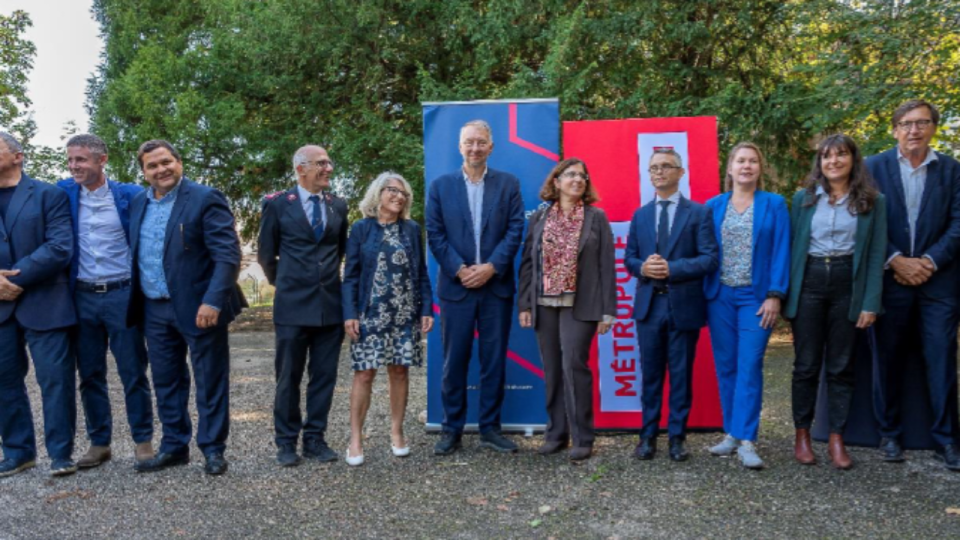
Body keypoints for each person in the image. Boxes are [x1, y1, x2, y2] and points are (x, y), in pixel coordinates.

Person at [128, 140, 246, 475]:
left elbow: (227, 255)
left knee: (209, 379)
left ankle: (212, 448)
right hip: (154, 308)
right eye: (152, 166)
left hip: (199, 307)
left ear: (179, 162)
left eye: (166, 162)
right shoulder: (138, 203)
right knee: (166, 381)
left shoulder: (205, 198)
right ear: (144, 172)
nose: (160, 170)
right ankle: (174, 447)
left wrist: (213, 300)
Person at [784, 134, 887, 470]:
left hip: (848, 283)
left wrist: (870, 302)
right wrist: (785, 297)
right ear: (820, 163)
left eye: (841, 155)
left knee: (842, 366)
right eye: (827, 157)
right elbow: (792, 251)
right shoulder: (803, 199)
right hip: (810, 281)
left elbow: (874, 256)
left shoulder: (872, 201)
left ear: (853, 160)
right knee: (806, 365)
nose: (833, 162)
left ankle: (836, 438)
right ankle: (802, 434)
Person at [868, 100, 960, 470]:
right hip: (891, 280)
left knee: (941, 359)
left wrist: (928, 261)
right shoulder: (872, 168)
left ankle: (947, 440)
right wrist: (896, 260)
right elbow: (863, 222)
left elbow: (958, 223)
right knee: (886, 359)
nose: (913, 130)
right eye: (906, 124)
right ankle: (889, 434)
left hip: (939, 281)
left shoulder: (952, 170)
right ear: (894, 130)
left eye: (922, 123)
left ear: (934, 128)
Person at [425, 119, 525, 455]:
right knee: (455, 361)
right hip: (457, 288)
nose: (475, 148)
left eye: (481, 142)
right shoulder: (440, 186)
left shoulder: (509, 184)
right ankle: (451, 430)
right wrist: (459, 270)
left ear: (491, 147)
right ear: (460, 147)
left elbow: (515, 230)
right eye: (469, 142)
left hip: (495, 287)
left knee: (493, 360)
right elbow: (435, 235)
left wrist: (492, 267)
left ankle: (490, 428)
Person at [56, 134, 154, 469]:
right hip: (81, 296)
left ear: (102, 160)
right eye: (70, 160)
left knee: (133, 371)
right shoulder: (62, 193)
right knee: (90, 374)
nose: (73, 166)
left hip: (122, 295)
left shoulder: (130, 195)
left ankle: (143, 440)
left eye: (80, 160)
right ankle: (100, 443)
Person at [517, 158, 616, 461]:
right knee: (553, 370)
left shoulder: (595, 217)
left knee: (574, 365)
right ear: (556, 181)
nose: (578, 180)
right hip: (544, 303)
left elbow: (606, 266)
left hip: (581, 304)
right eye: (571, 175)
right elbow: (528, 263)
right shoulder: (540, 217)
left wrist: (607, 311)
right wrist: (524, 303)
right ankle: (555, 434)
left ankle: (583, 437)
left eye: (583, 176)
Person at [625, 148, 718, 462]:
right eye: (654, 168)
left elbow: (709, 258)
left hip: (683, 306)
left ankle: (677, 438)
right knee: (650, 376)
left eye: (666, 166)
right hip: (649, 307)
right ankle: (647, 436)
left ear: (681, 172)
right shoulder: (640, 215)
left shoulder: (699, 213)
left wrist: (673, 269)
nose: (659, 172)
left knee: (680, 376)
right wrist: (642, 268)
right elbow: (629, 258)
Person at [258, 145, 349, 467]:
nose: (329, 168)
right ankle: (286, 442)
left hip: (330, 308)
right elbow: (266, 256)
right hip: (293, 307)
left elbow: (338, 252)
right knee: (288, 378)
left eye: (329, 162)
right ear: (301, 169)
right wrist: (286, 282)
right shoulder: (278, 205)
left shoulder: (338, 205)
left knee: (324, 378)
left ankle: (315, 439)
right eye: (321, 163)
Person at [704, 142, 790, 469]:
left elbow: (782, 250)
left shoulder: (774, 205)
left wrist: (775, 294)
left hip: (756, 299)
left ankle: (748, 440)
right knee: (726, 366)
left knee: (750, 364)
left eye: (753, 161)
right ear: (730, 168)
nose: (746, 166)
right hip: (720, 296)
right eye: (741, 160)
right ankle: (731, 433)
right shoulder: (713, 206)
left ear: (759, 169)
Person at [342, 172, 433, 466]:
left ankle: (397, 432)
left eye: (403, 193)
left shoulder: (411, 229)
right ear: (378, 193)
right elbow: (351, 275)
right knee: (364, 373)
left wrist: (426, 308)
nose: (399, 196)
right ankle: (355, 439)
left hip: (404, 313)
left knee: (399, 372)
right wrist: (349, 314)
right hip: (370, 313)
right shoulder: (361, 229)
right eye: (392, 190)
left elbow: (421, 272)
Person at [0, 131, 78, 477]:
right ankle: (19, 453)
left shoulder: (49, 194)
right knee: (4, 381)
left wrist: (13, 281)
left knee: (55, 381)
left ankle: (61, 454)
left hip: (46, 301)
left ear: (18, 155)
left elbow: (60, 247)